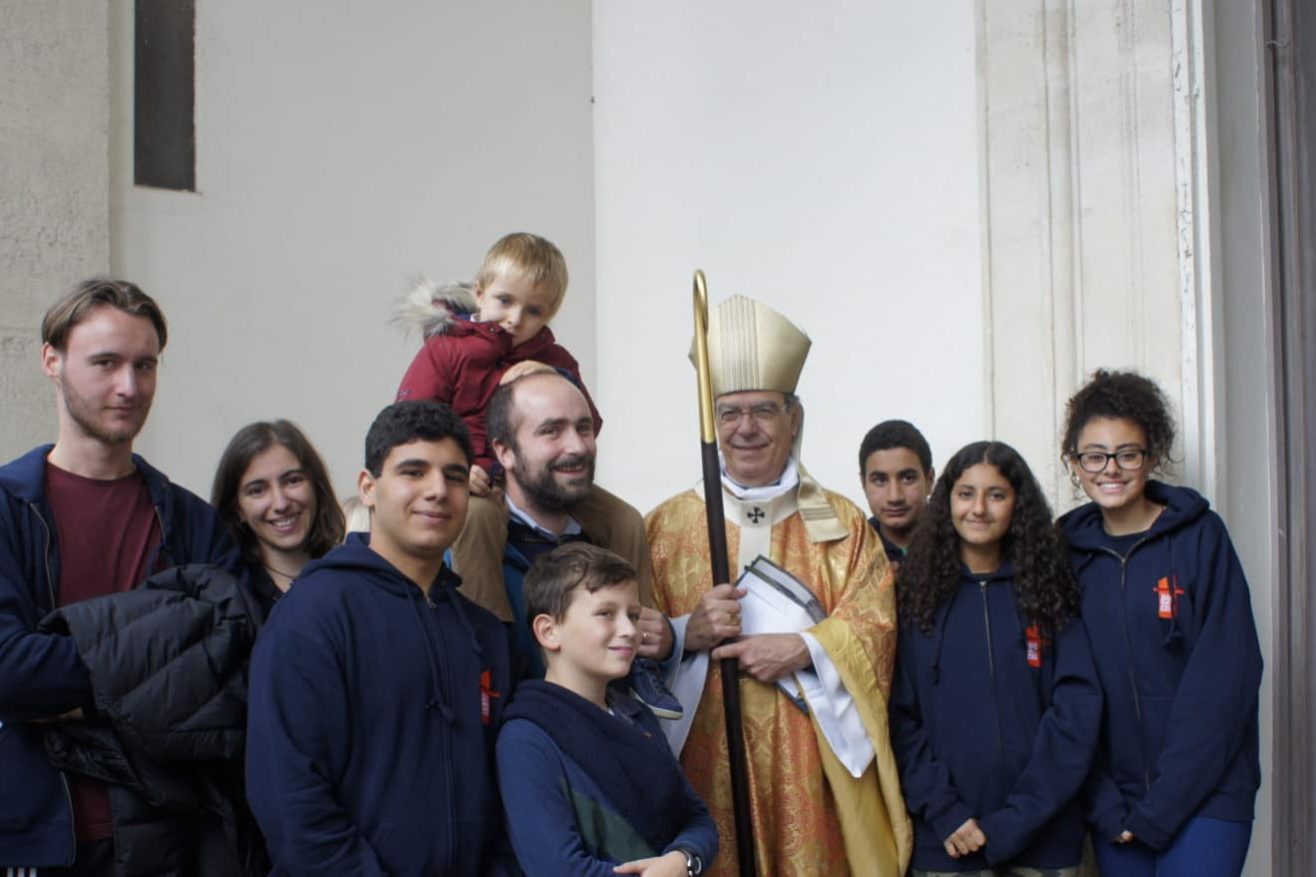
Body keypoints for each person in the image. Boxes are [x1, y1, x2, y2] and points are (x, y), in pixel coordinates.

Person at [646, 294, 912, 875]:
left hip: (811, 770)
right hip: (701, 763)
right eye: (729, 413)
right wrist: (686, 631)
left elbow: (876, 629)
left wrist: (804, 648)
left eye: (764, 410)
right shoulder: (666, 528)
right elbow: (631, 648)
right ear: (710, 424)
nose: (746, 429)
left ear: (795, 418)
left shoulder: (842, 525)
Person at [0, 279, 234, 874]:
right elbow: (8, 671)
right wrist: (154, 675)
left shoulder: (193, 523)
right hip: (37, 836)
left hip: (170, 835)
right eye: (105, 363)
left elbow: (228, 678)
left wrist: (72, 696)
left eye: (144, 365)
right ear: (51, 360)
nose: (129, 386)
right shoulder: (6, 510)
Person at [245, 400, 514, 876]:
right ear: (368, 488)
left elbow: (509, 795)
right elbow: (290, 796)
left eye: (454, 476)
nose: (438, 490)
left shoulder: (483, 632)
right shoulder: (313, 615)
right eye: (414, 472)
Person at [1058, 370, 1262, 877]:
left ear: (1152, 457)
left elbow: (1225, 682)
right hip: (1114, 807)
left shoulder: (1201, 538)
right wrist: (1104, 801)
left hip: (1206, 797)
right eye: (1095, 455)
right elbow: (1063, 690)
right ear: (1075, 462)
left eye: (1128, 454)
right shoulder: (1062, 554)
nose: (1111, 468)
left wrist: (1163, 806)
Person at [394, 232, 652, 617]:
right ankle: (488, 630)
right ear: (479, 292)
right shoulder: (446, 349)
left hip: (537, 474)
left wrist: (553, 378)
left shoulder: (554, 357)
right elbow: (412, 425)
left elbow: (589, 423)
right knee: (478, 519)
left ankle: (640, 623)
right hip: (475, 480)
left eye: (534, 311)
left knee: (624, 519)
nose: (516, 319)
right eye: (505, 301)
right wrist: (455, 469)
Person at [889, 441, 1102, 875]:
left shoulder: (1051, 592)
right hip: (948, 839)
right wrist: (945, 811)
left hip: (1046, 838)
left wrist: (1019, 818)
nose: (979, 509)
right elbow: (898, 720)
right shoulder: (913, 599)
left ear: (1018, 504)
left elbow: (1075, 715)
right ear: (947, 501)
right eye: (966, 493)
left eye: (997, 495)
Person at [496, 542, 718, 876]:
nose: (630, 631)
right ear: (548, 631)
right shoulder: (525, 740)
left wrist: (683, 859)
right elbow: (558, 868)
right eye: (606, 613)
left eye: (633, 615)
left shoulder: (636, 715)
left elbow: (697, 819)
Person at [483, 371, 679, 716]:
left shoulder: (615, 535)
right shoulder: (472, 546)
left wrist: (665, 644)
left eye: (584, 428)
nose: (577, 446)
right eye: (552, 431)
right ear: (505, 451)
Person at [210, 419, 346, 614]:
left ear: (316, 486)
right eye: (257, 490)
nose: (281, 504)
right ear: (237, 508)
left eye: (293, 480)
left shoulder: (352, 575)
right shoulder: (228, 599)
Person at [858, 418, 936, 564]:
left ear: (929, 480)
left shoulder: (963, 545)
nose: (894, 497)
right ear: (864, 484)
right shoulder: (851, 554)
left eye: (908, 478)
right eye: (880, 480)